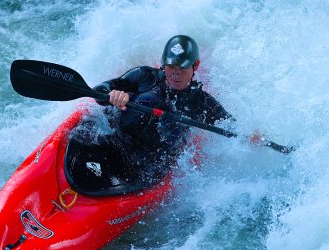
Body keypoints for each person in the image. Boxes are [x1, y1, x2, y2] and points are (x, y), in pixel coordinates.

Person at [90, 35, 232, 186]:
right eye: (171, 67)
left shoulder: (202, 102)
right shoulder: (144, 76)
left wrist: (252, 137)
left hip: (149, 164)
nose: (175, 74)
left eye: (182, 67)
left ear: (195, 65)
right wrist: (111, 95)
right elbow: (99, 91)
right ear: (163, 64)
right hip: (114, 140)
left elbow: (231, 126)